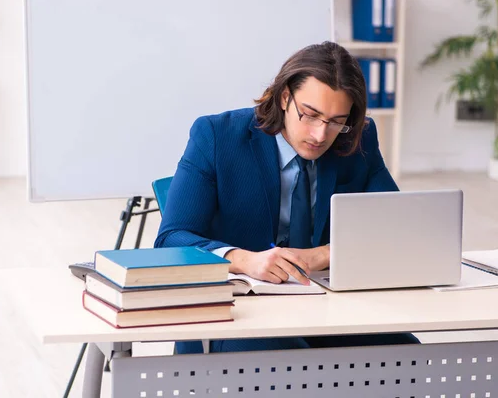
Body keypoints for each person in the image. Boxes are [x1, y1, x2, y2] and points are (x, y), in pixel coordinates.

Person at [154, 41, 419, 353]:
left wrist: (323, 254)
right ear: (284, 97)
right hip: (236, 319)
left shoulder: (358, 139)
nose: (321, 135)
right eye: (310, 115)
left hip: (329, 312)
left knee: (405, 352)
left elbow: (398, 227)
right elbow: (171, 239)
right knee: (287, 356)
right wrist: (244, 260)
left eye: (336, 121)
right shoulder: (217, 136)